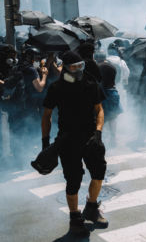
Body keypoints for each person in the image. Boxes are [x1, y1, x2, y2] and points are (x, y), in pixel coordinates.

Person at [41, 51, 107, 236]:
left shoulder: (90, 82)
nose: (78, 70)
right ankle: (74, 218)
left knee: (99, 171)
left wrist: (98, 134)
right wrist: (46, 143)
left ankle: (92, 208)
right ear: (66, 68)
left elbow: (99, 110)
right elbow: (47, 115)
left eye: (81, 66)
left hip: (90, 137)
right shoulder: (56, 87)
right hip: (68, 139)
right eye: (73, 67)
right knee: (73, 179)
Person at [95, 50, 123, 148]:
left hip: (102, 93)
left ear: (98, 58)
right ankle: (113, 138)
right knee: (113, 118)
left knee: (101, 116)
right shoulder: (115, 66)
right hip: (113, 93)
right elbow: (118, 79)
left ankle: (100, 138)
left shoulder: (97, 66)